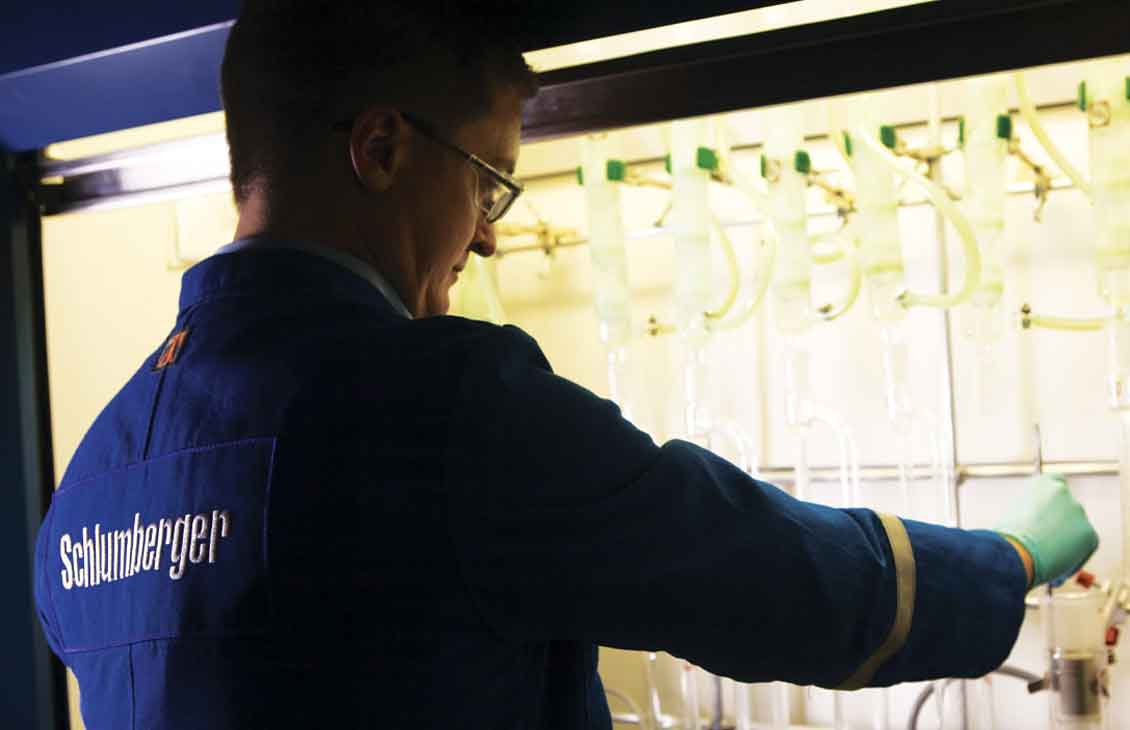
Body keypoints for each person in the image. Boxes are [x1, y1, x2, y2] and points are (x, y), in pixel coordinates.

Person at [33, 2, 1098, 728]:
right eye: (488, 181)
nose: (487, 234)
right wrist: (1002, 561)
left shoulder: (87, 484)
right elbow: (750, 569)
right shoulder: (438, 405)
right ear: (382, 149)